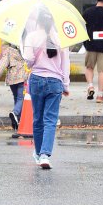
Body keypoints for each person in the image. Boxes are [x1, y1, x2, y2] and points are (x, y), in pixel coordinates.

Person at [21, 9, 70, 169]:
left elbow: (28, 60)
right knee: (50, 120)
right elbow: (65, 64)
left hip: (36, 80)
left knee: (37, 118)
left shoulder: (32, 36)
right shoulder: (60, 38)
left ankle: (37, 152)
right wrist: (66, 85)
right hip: (55, 82)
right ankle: (44, 155)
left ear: (39, 21)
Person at [0, 42, 27, 133]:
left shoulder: (9, 50)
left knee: (17, 98)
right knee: (21, 98)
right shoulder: (27, 49)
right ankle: (15, 113)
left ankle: (17, 120)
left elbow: (3, 62)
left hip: (12, 77)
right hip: (23, 76)